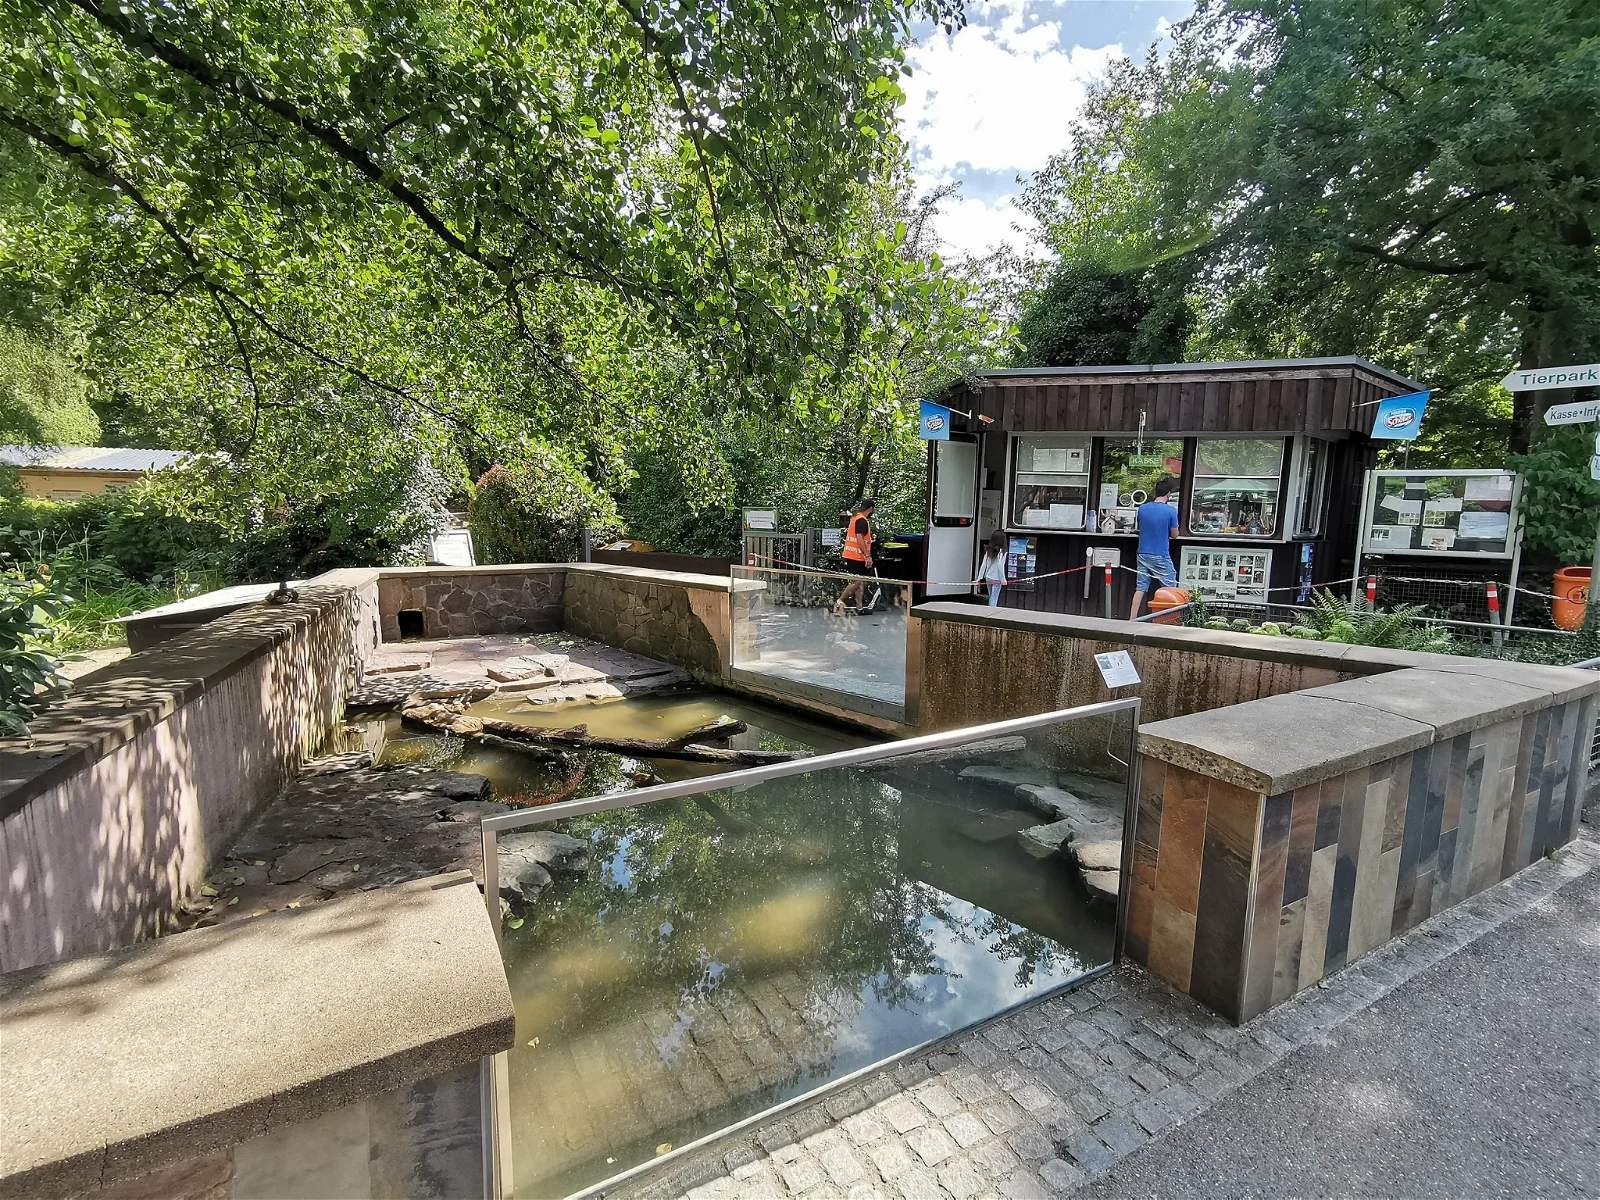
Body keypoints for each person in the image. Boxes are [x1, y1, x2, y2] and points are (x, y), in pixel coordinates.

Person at [1129, 477, 1179, 620]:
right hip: (1160, 554)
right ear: (1168, 494)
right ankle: (1171, 619)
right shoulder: (1170, 511)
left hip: (1142, 553)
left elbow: (1140, 527)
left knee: (1141, 587)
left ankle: (1132, 618)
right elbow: (1175, 535)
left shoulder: (1143, 508)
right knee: (1170, 586)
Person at [833, 498, 876, 614]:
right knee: (857, 582)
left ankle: (859, 607)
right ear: (871, 509)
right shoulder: (862, 521)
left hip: (851, 554)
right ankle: (840, 601)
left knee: (859, 581)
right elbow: (860, 539)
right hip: (856, 556)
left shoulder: (855, 519)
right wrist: (867, 556)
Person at [977, 531, 1008, 606]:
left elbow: (983, 565)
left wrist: (979, 578)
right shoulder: (1003, 552)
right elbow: (1000, 566)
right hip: (997, 579)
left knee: (991, 595)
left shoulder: (988, 551)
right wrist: (1003, 579)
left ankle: (989, 611)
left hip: (988, 577)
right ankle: (991, 612)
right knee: (994, 597)